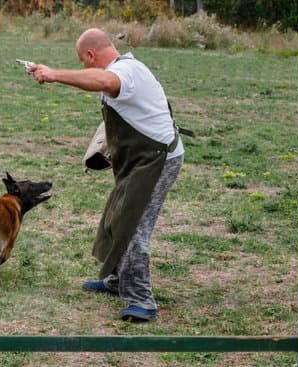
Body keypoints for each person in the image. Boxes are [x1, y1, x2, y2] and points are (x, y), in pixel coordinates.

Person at [29, 28, 184, 321]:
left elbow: (102, 80)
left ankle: (142, 301)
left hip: (157, 159)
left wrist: (53, 74)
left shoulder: (123, 72)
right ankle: (116, 281)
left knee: (134, 226)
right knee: (117, 215)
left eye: (83, 62)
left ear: (91, 54)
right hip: (139, 159)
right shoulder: (127, 68)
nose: (85, 67)